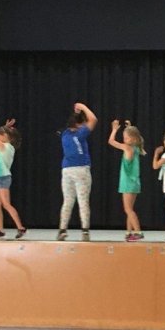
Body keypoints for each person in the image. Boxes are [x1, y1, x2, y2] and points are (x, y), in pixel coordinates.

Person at [57, 102, 98, 242]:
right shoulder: (80, 133)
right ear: (79, 124)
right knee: (83, 201)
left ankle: (62, 230)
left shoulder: (64, 134)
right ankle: (85, 231)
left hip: (67, 170)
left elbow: (76, 121)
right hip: (81, 169)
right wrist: (83, 107)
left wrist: (77, 112)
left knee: (67, 201)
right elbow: (93, 119)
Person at [108, 119, 146, 241]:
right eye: (124, 137)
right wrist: (129, 127)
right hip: (134, 183)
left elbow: (111, 141)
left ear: (133, 139)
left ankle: (138, 232)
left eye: (126, 137)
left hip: (128, 183)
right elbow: (136, 137)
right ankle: (129, 232)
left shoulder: (127, 148)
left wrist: (114, 130)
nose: (124, 139)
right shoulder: (137, 148)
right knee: (130, 209)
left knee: (128, 209)